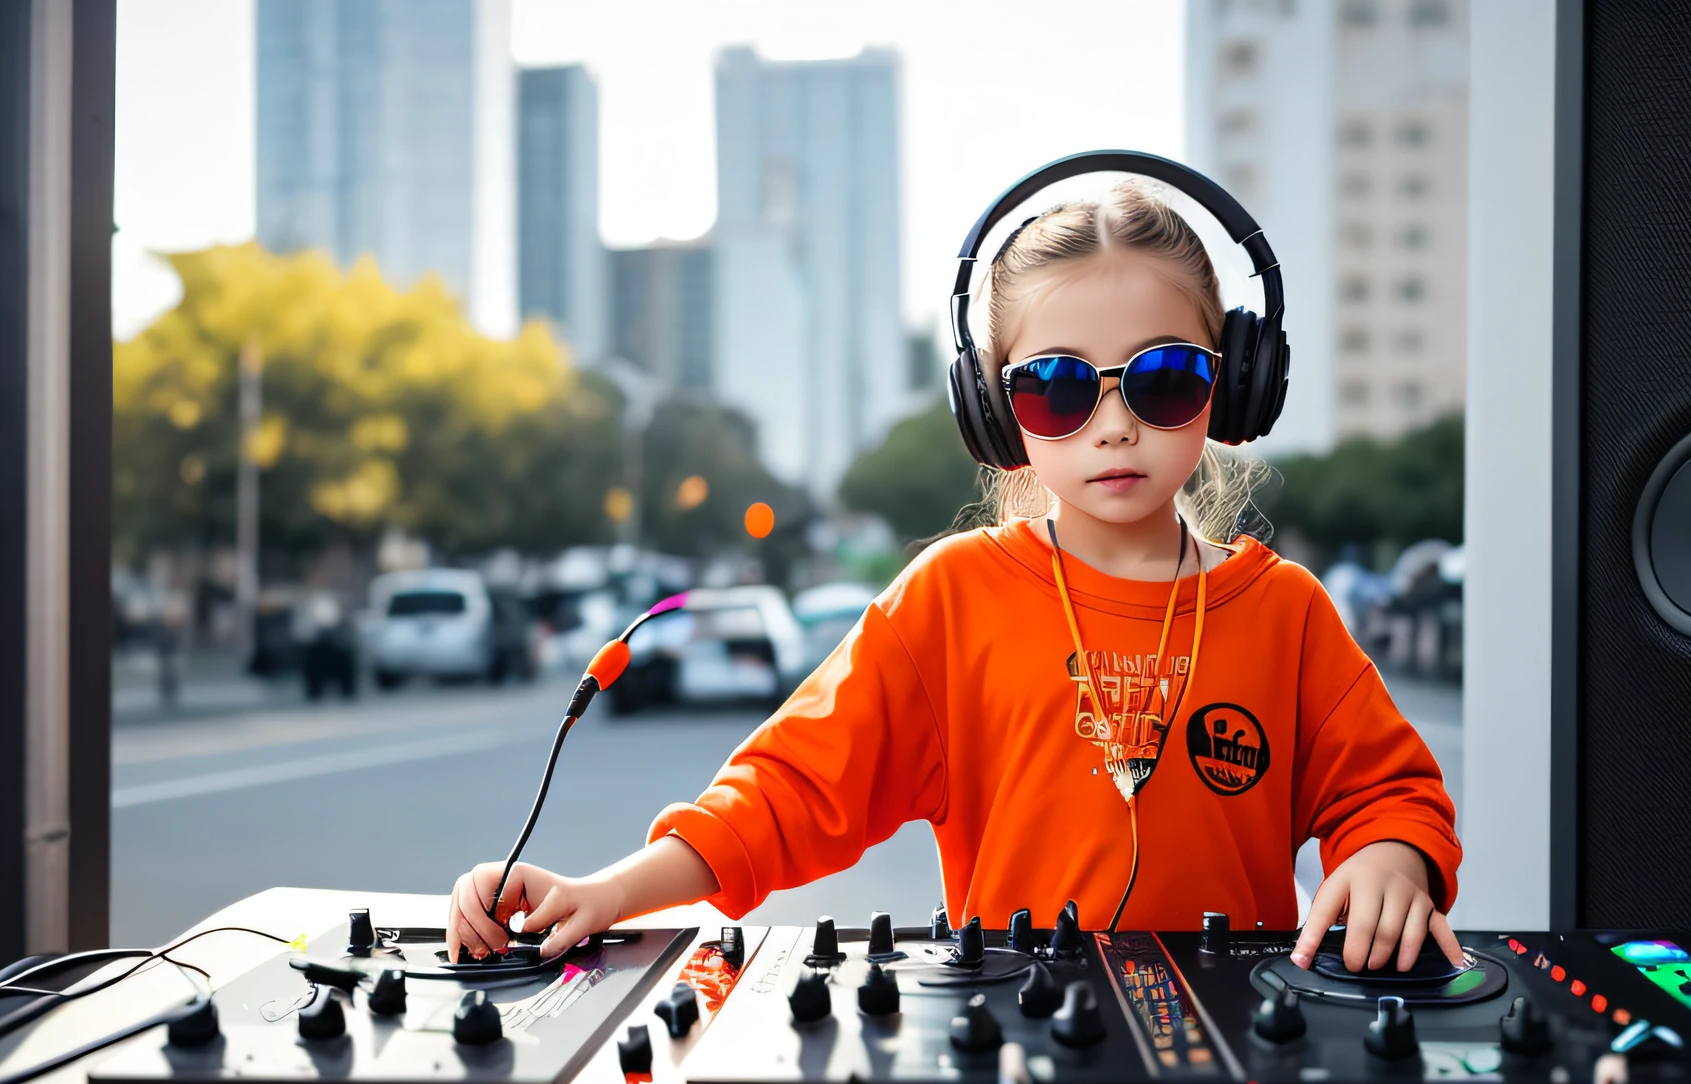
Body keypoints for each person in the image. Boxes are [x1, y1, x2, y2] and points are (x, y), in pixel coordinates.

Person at [445, 177, 1463, 976]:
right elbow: (789, 789)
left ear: (1232, 381)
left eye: (1161, 378)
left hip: (1237, 1065)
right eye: (1058, 385)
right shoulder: (950, 598)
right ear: (992, 406)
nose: (1113, 424)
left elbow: (1389, 790)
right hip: (1014, 1053)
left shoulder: (1284, 612)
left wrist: (1388, 855)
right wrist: (610, 889)